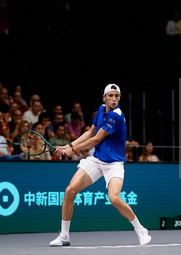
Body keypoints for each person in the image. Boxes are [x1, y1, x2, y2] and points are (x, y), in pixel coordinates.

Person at [49, 84, 151, 247]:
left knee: (114, 199)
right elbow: (90, 132)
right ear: (104, 98)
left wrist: (73, 149)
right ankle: (64, 236)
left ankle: (141, 230)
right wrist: (69, 146)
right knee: (70, 191)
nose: (114, 99)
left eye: (117, 96)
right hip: (97, 160)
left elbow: (96, 139)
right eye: (110, 95)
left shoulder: (116, 116)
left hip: (114, 163)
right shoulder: (100, 110)